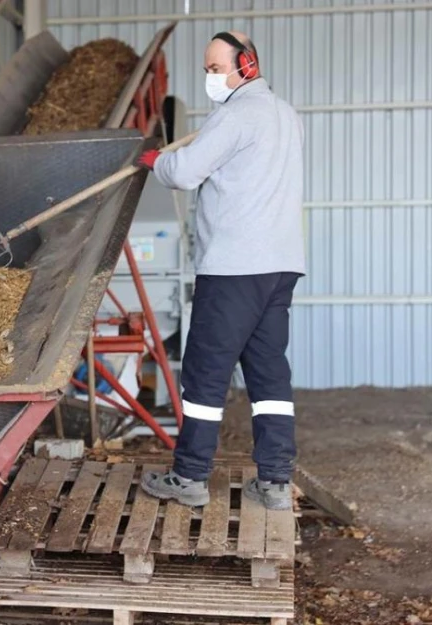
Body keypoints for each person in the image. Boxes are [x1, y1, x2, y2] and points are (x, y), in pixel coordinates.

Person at [135, 31, 305, 510]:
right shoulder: (287, 116)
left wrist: (157, 162)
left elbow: (187, 173)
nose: (210, 78)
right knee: (269, 375)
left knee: (205, 373)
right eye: (208, 70)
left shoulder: (234, 116)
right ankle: (273, 481)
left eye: (215, 69)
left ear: (246, 65)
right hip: (280, 266)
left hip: (234, 268)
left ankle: (189, 477)